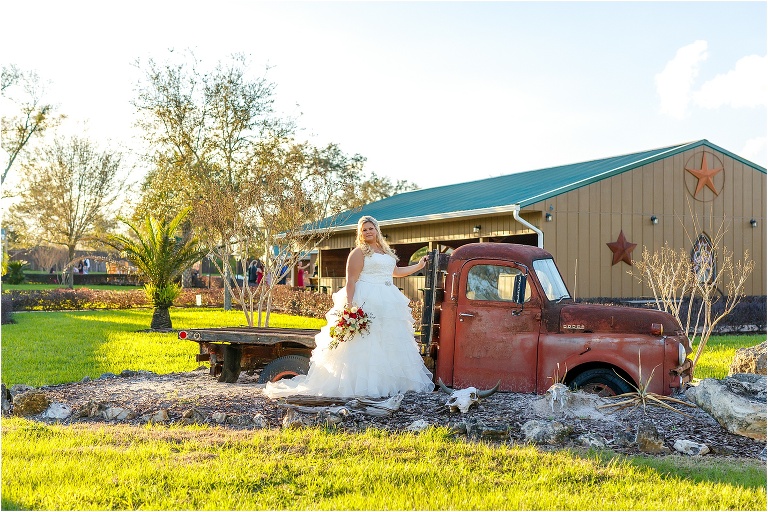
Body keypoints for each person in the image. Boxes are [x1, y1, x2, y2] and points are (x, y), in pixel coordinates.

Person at [264, 216, 434, 398]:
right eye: (364, 230)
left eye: (370, 228)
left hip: (388, 300)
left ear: (377, 230)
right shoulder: (359, 252)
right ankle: (364, 386)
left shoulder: (386, 251)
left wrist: (419, 265)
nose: (368, 232)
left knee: (389, 341)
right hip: (367, 298)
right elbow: (351, 280)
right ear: (360, 233)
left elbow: (396, 272)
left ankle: (390, 384)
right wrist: (350, 306)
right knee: (366, 343)